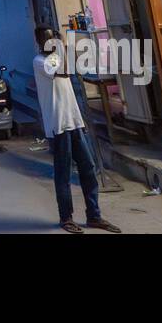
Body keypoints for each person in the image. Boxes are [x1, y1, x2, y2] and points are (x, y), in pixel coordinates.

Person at [32, 25, 121, 234]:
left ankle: (94, 215)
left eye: (51, 38)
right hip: (58, 124)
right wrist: (65, 47)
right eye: (46, 39)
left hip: (74, 121)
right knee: (63, 172)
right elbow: (64, 71)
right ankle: (66, 217)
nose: (50, 42)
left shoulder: (57, 56)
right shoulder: (40, 62)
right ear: (39, 42)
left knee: (88, 168)